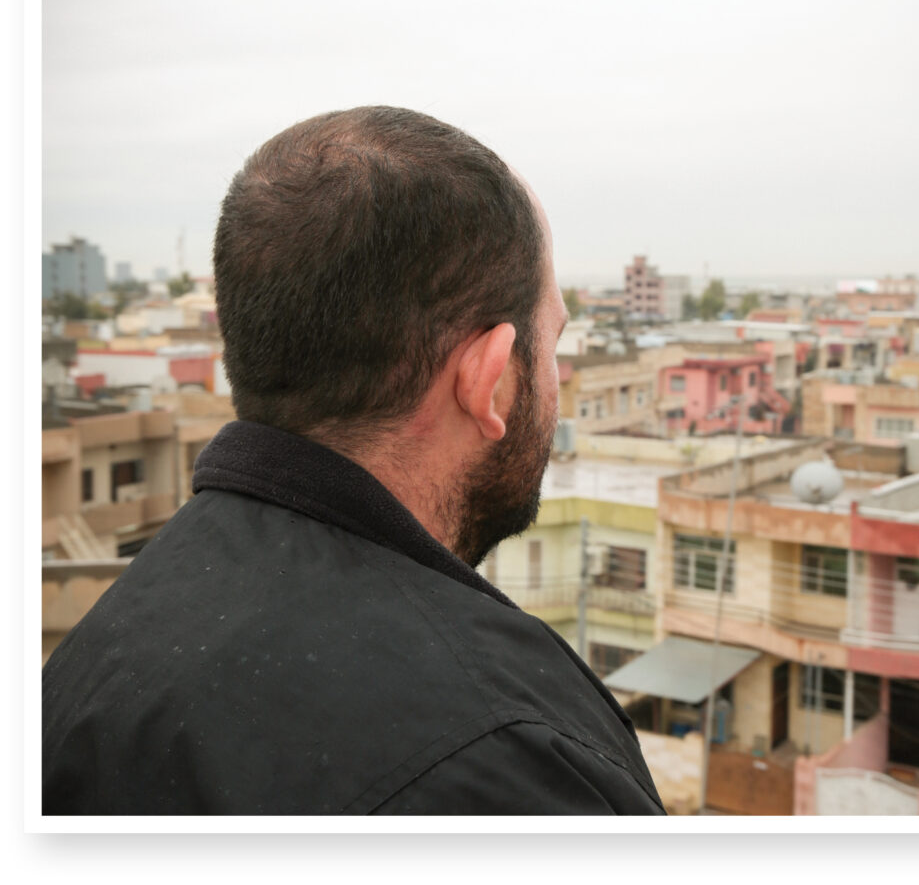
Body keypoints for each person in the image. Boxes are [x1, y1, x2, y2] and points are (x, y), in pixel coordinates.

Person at [42, 106, 665, 816]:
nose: (556, 382)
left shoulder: (86, 666)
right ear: (487, 379)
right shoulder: (509, 759)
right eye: (551, 346)